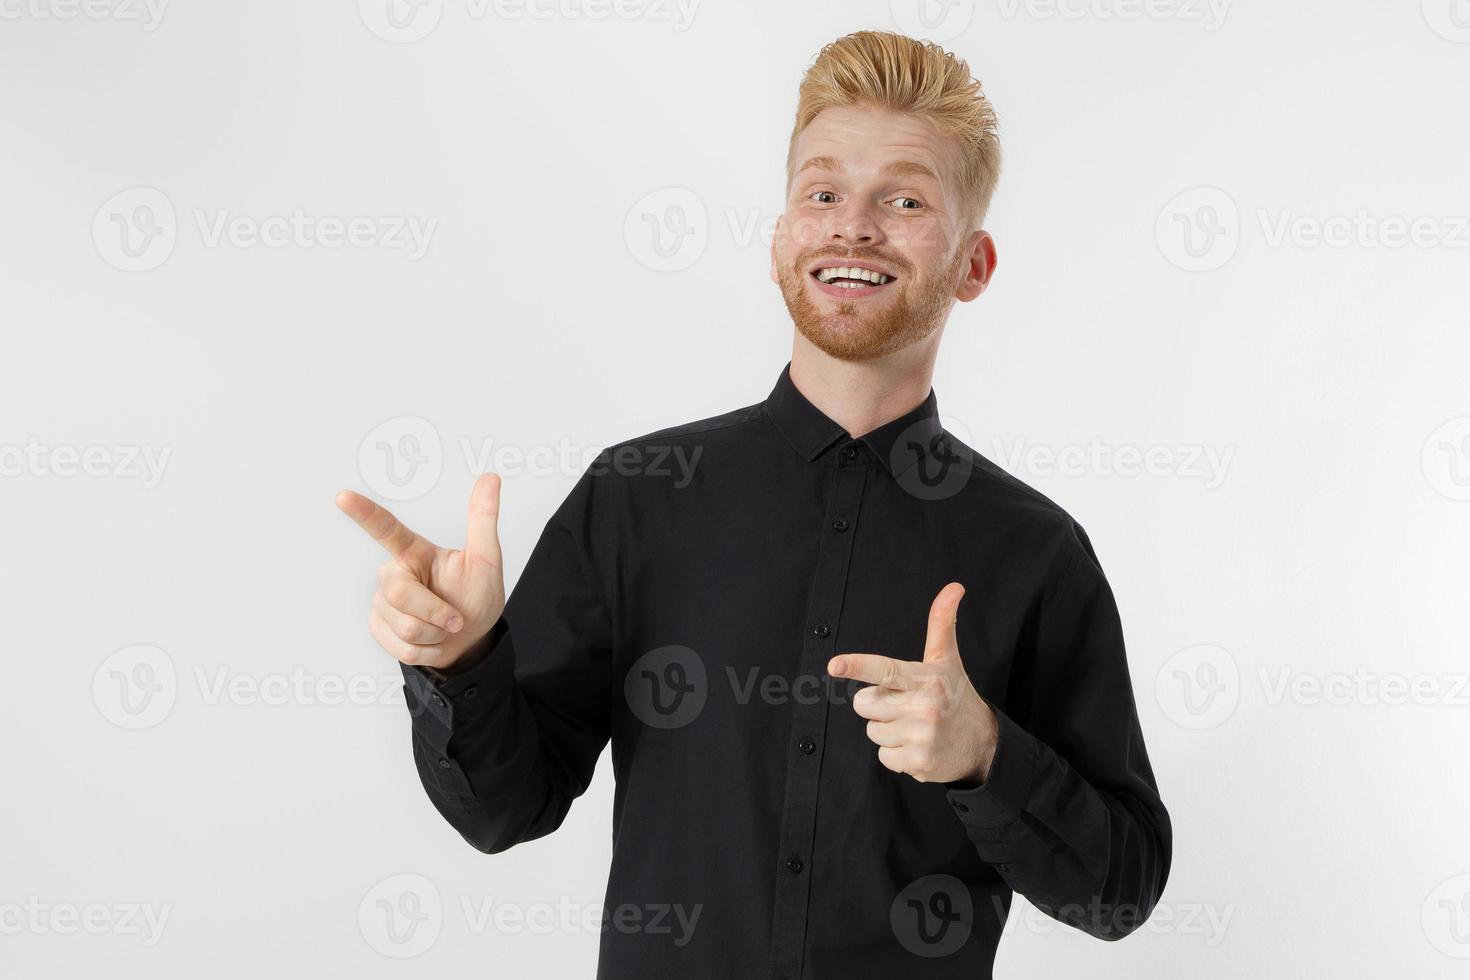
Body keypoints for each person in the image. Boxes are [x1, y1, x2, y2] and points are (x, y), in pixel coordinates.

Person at [337, 30, 1171, 979]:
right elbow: (504, 811)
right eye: (822, 194)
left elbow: (1123, 889)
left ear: (974, 264)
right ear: (782, 240)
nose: (852, 226)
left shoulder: (1037, 554)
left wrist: (989, 756)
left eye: (902, 200)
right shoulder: (637, 497)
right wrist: (462, 662)